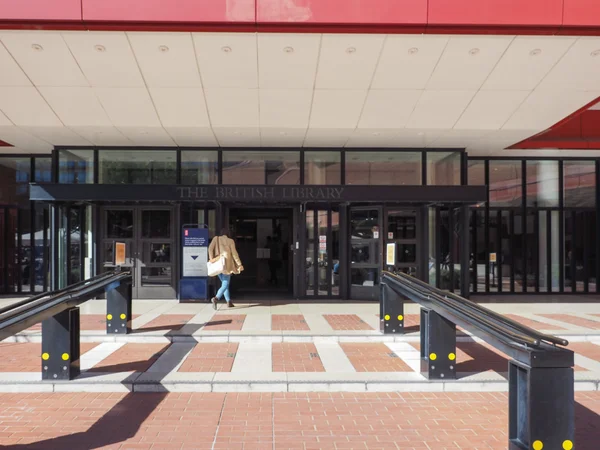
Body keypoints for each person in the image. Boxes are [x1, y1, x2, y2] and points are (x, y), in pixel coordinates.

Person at [209, 228, 244, 309]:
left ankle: (229, 302)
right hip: (226, 265)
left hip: (217, 264)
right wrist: (239, 264)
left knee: (224, 284)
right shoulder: (230, 241)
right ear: (228, 234)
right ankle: (216, 298)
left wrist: (212, 259)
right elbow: (234, 254)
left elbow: (210, 249)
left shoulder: (216, 238)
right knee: (225, 284)